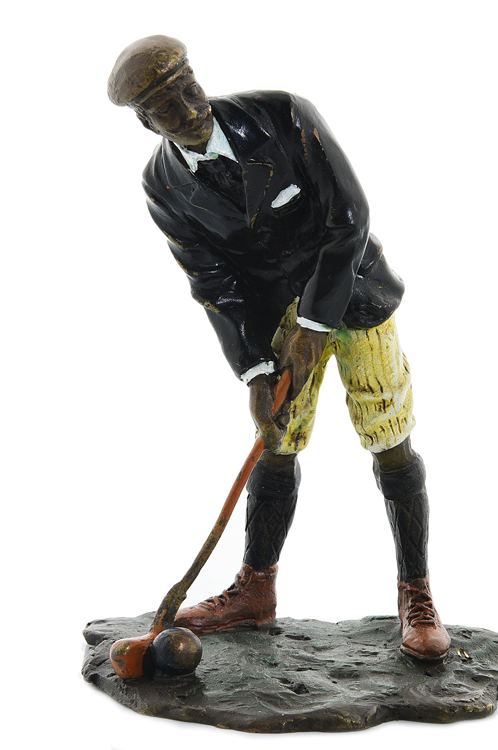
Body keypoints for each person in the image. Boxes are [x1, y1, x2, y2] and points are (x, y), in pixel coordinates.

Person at [108, 35, 450, 660]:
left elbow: (350, 218)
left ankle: (417, 592)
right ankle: (254, 588)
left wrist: (314, 327)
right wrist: (256, 370)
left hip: (354, 295)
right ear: (145, 122)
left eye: (188, 86)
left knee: (388, 434)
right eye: (166, 106)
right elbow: (213, 283)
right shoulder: (162, 185)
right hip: (274, 321)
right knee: (276, 440)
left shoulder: (283, 114)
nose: (189, 107)